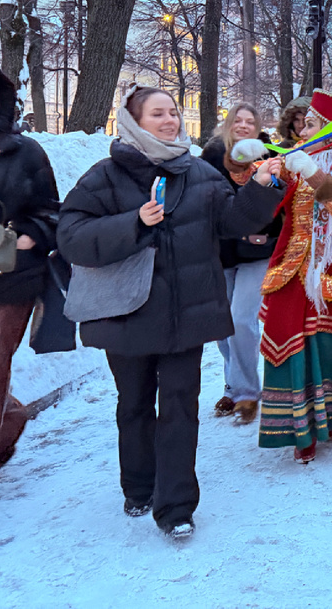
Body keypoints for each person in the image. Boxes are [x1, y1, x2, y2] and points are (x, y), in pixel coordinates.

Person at [57, 86, 283, 537]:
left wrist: (260, 189)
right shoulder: (105, 177)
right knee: (135, 404)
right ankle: (139, 487)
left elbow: (234, 223)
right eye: (157, 113)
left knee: (180, 407)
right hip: (127, 314)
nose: (170, 120)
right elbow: (72, 237)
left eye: (173, 112)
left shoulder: (198, 173)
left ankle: (176, 506)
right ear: (134, 121)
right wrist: (134, 222)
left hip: (187, 314)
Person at [256, 90, 332, 463]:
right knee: (289, 339)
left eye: (310, 124)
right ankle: (300, 428)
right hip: (292, 268)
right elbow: (278, 209)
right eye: (301, 124)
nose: (301, 130)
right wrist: (259, 172)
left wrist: (311, 173)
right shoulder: (299, 159)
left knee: (328, 346)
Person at [0, 61, 59, 502]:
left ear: (2, 98)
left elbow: (51, 208)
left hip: (10, 276)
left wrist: (33, 236)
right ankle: (7, 421)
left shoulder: (24, 151)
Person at [201, 103, 282, 425]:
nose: (244, 125)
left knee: (241, 319)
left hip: (256, 255)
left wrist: (268, 237)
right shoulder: (209, 158)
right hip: (220, 254)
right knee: (222, 327)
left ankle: (248, 393)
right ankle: (233, 385)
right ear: (229, 124)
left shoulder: (270, 157)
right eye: (239, 120)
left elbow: (281, 203)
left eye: (251, 121)